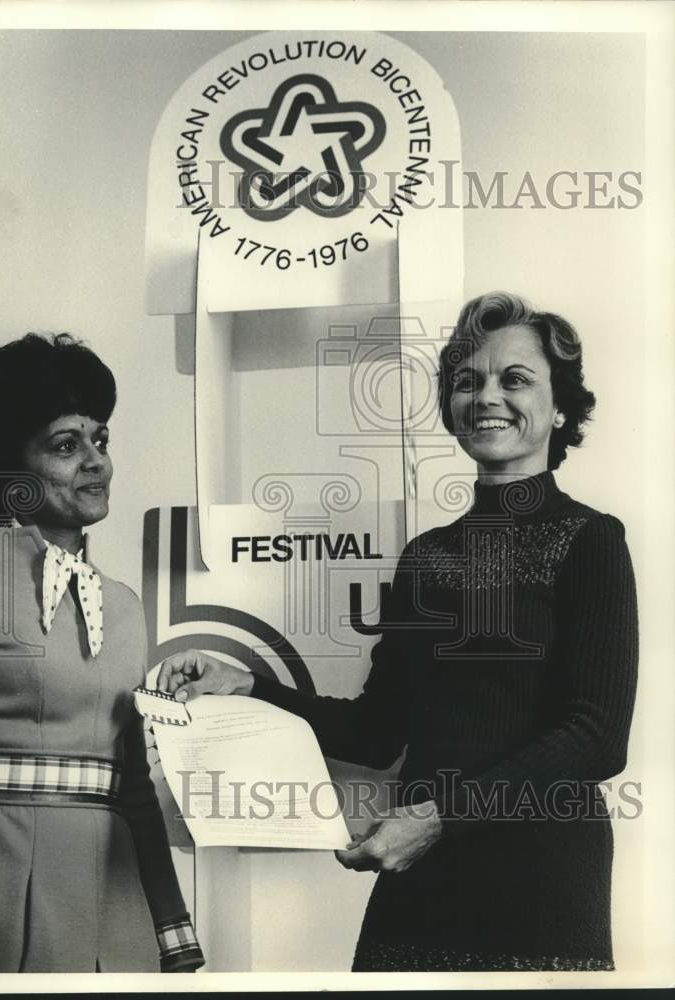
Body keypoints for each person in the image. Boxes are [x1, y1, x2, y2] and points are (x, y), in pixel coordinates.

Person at [157, 291, 639, 972]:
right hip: (425, 867)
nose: (486, 396)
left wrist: (433, 818)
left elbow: (596, 738)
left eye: (516, 378)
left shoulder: (592, 540)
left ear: (560, 407)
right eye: (466, 381)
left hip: (540, 872)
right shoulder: (426, 556)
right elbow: (378, 730)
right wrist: (249, 687)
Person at [0, 333, 204, 973]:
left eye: (101, 440)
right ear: (5, 465)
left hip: (115, 896)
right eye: (66, 445)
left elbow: (133, 787)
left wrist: (171, 932)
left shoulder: (126, 606)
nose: (97, 462)